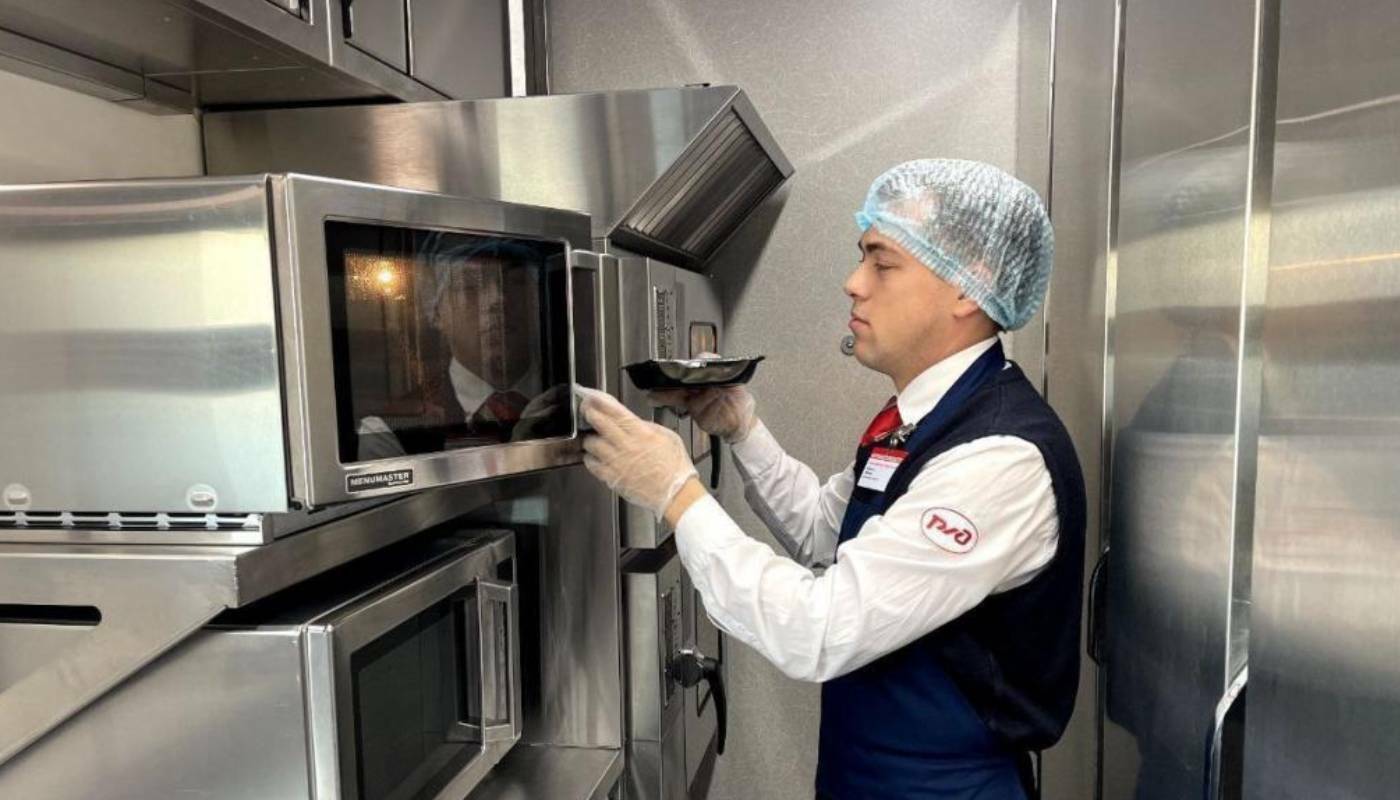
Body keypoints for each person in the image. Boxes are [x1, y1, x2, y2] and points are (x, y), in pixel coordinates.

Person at [580, 159, 1086, 800]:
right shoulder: (917, 420)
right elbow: (827, 533)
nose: (853, 283)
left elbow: (819, 629)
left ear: (969, 287)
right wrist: (741, 429)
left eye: (882, 263)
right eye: (860, 257)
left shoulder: (998, 460)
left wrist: (677, 493)